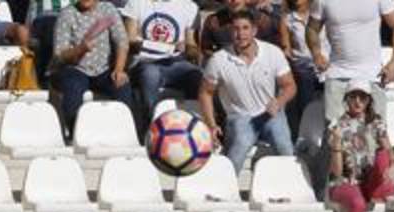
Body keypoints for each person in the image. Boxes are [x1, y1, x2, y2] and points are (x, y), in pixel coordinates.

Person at [200, 8, 298, 173]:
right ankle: (225, 189)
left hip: (270, 114)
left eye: (245, 28)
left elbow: (290, 85)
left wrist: (279, 101)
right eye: (236, 29)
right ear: (231, 32)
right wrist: (211, 124)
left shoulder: (272, 52)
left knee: (285, 147)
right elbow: (205, 93)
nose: (240, 34)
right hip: (239, 117)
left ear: (254, 30)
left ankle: (290, 189)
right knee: (242, 143)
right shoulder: (219, 59)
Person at [307, 0, 394, 123]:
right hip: (338, 75)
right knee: (334, 135)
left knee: (376, 135)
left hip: (373, 75)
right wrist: (316, 54)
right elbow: (311, 28)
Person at [327, 81, 394, 212]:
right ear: (347, 99)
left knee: (382, 155)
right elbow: (336, 173)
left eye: (363, 98)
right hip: (346, 181)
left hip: (370, 179)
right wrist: (337, 143)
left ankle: (388, 192)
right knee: (358, 203)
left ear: (368, 101)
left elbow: (391, 157)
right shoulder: (337, 125)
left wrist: (392, 170)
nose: (358, 102)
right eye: (354, 97)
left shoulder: (376, 122)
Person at [51, 0, 135, 141]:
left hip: (103, 69)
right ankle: (75, 135)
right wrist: (80, 49)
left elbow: (121, 41)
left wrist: (119, 69)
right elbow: (60, 54)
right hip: (75, 68)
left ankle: (124, 135)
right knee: (72, 88)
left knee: (122, 86)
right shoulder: (67, 14)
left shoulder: (108, 9)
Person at [122, 0, 203, 130]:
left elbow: (191, 44)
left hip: (176, 63)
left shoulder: (189, 6)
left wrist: (189, 49)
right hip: (145, 62)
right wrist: (166, 47)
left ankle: (192, 127)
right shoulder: (136, 3)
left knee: (196, 76)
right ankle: (150, 127)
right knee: (150, 75)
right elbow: (130, 42)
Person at [279, 0, 327, 139]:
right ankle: (305, 137)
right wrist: (290, 58)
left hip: (326, 65)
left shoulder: (322, 14)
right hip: (303, 67)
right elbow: (286, 48)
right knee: (305, 88)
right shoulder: (287, 20)